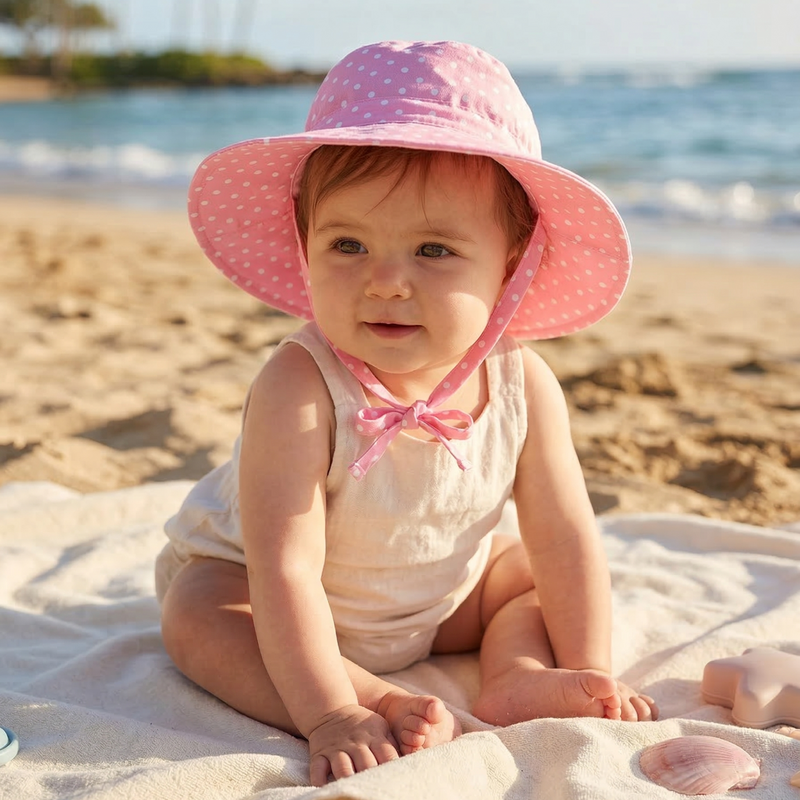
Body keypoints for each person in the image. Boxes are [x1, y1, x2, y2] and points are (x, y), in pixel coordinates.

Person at [155, 40, 657, 787]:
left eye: (433, 250)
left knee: (520, 574)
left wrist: (589, 669)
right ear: (304, 242)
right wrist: (329, 713)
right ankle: (367, 697)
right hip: (275, 599)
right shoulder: (301, 385)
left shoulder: (522, 383)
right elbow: (285, 570)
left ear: (511, 259)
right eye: (349, 244)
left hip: (436, 601)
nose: (386, 282)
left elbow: (566, 536)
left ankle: (515, 675)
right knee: (197, 612)